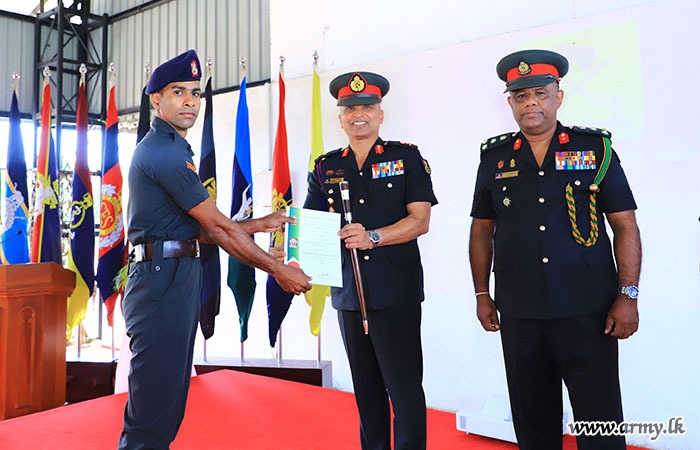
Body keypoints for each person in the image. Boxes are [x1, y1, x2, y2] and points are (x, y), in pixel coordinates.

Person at [118, 49, 311, 449]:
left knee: (168, 403)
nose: (190, 101)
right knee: (152, 409)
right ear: (156, 99)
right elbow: (218, 228)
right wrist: (277, 269)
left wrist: (258, 224)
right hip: (160, 282)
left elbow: (194, 230)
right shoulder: (164, 153)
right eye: (178, 92)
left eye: (195, 93)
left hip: (172, 275)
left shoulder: (174, 147)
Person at [468, 49, 642, 450]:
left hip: (588, 309)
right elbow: (481, 230)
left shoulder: (595, 149)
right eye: (521, 96)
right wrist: (481, 294)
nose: (531, 103)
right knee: (533, 425)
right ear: (510, 103)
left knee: (600, 423)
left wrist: (628, 295)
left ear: (558, 97)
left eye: (540, 94)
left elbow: (625, 226)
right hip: (520, 312)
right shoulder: (494, 158)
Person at [304, 71, 438, 450]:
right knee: (366, 390)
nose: (358, 114)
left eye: (367, 107)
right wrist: (291, 254)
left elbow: (420, 221)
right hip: (349, 293)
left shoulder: (405, 157)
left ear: (381, 114)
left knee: (404, 388)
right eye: (350, 109)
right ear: (340, 117)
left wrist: (373, 237)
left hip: (396, 292)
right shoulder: (326, 167)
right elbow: (312, 225)